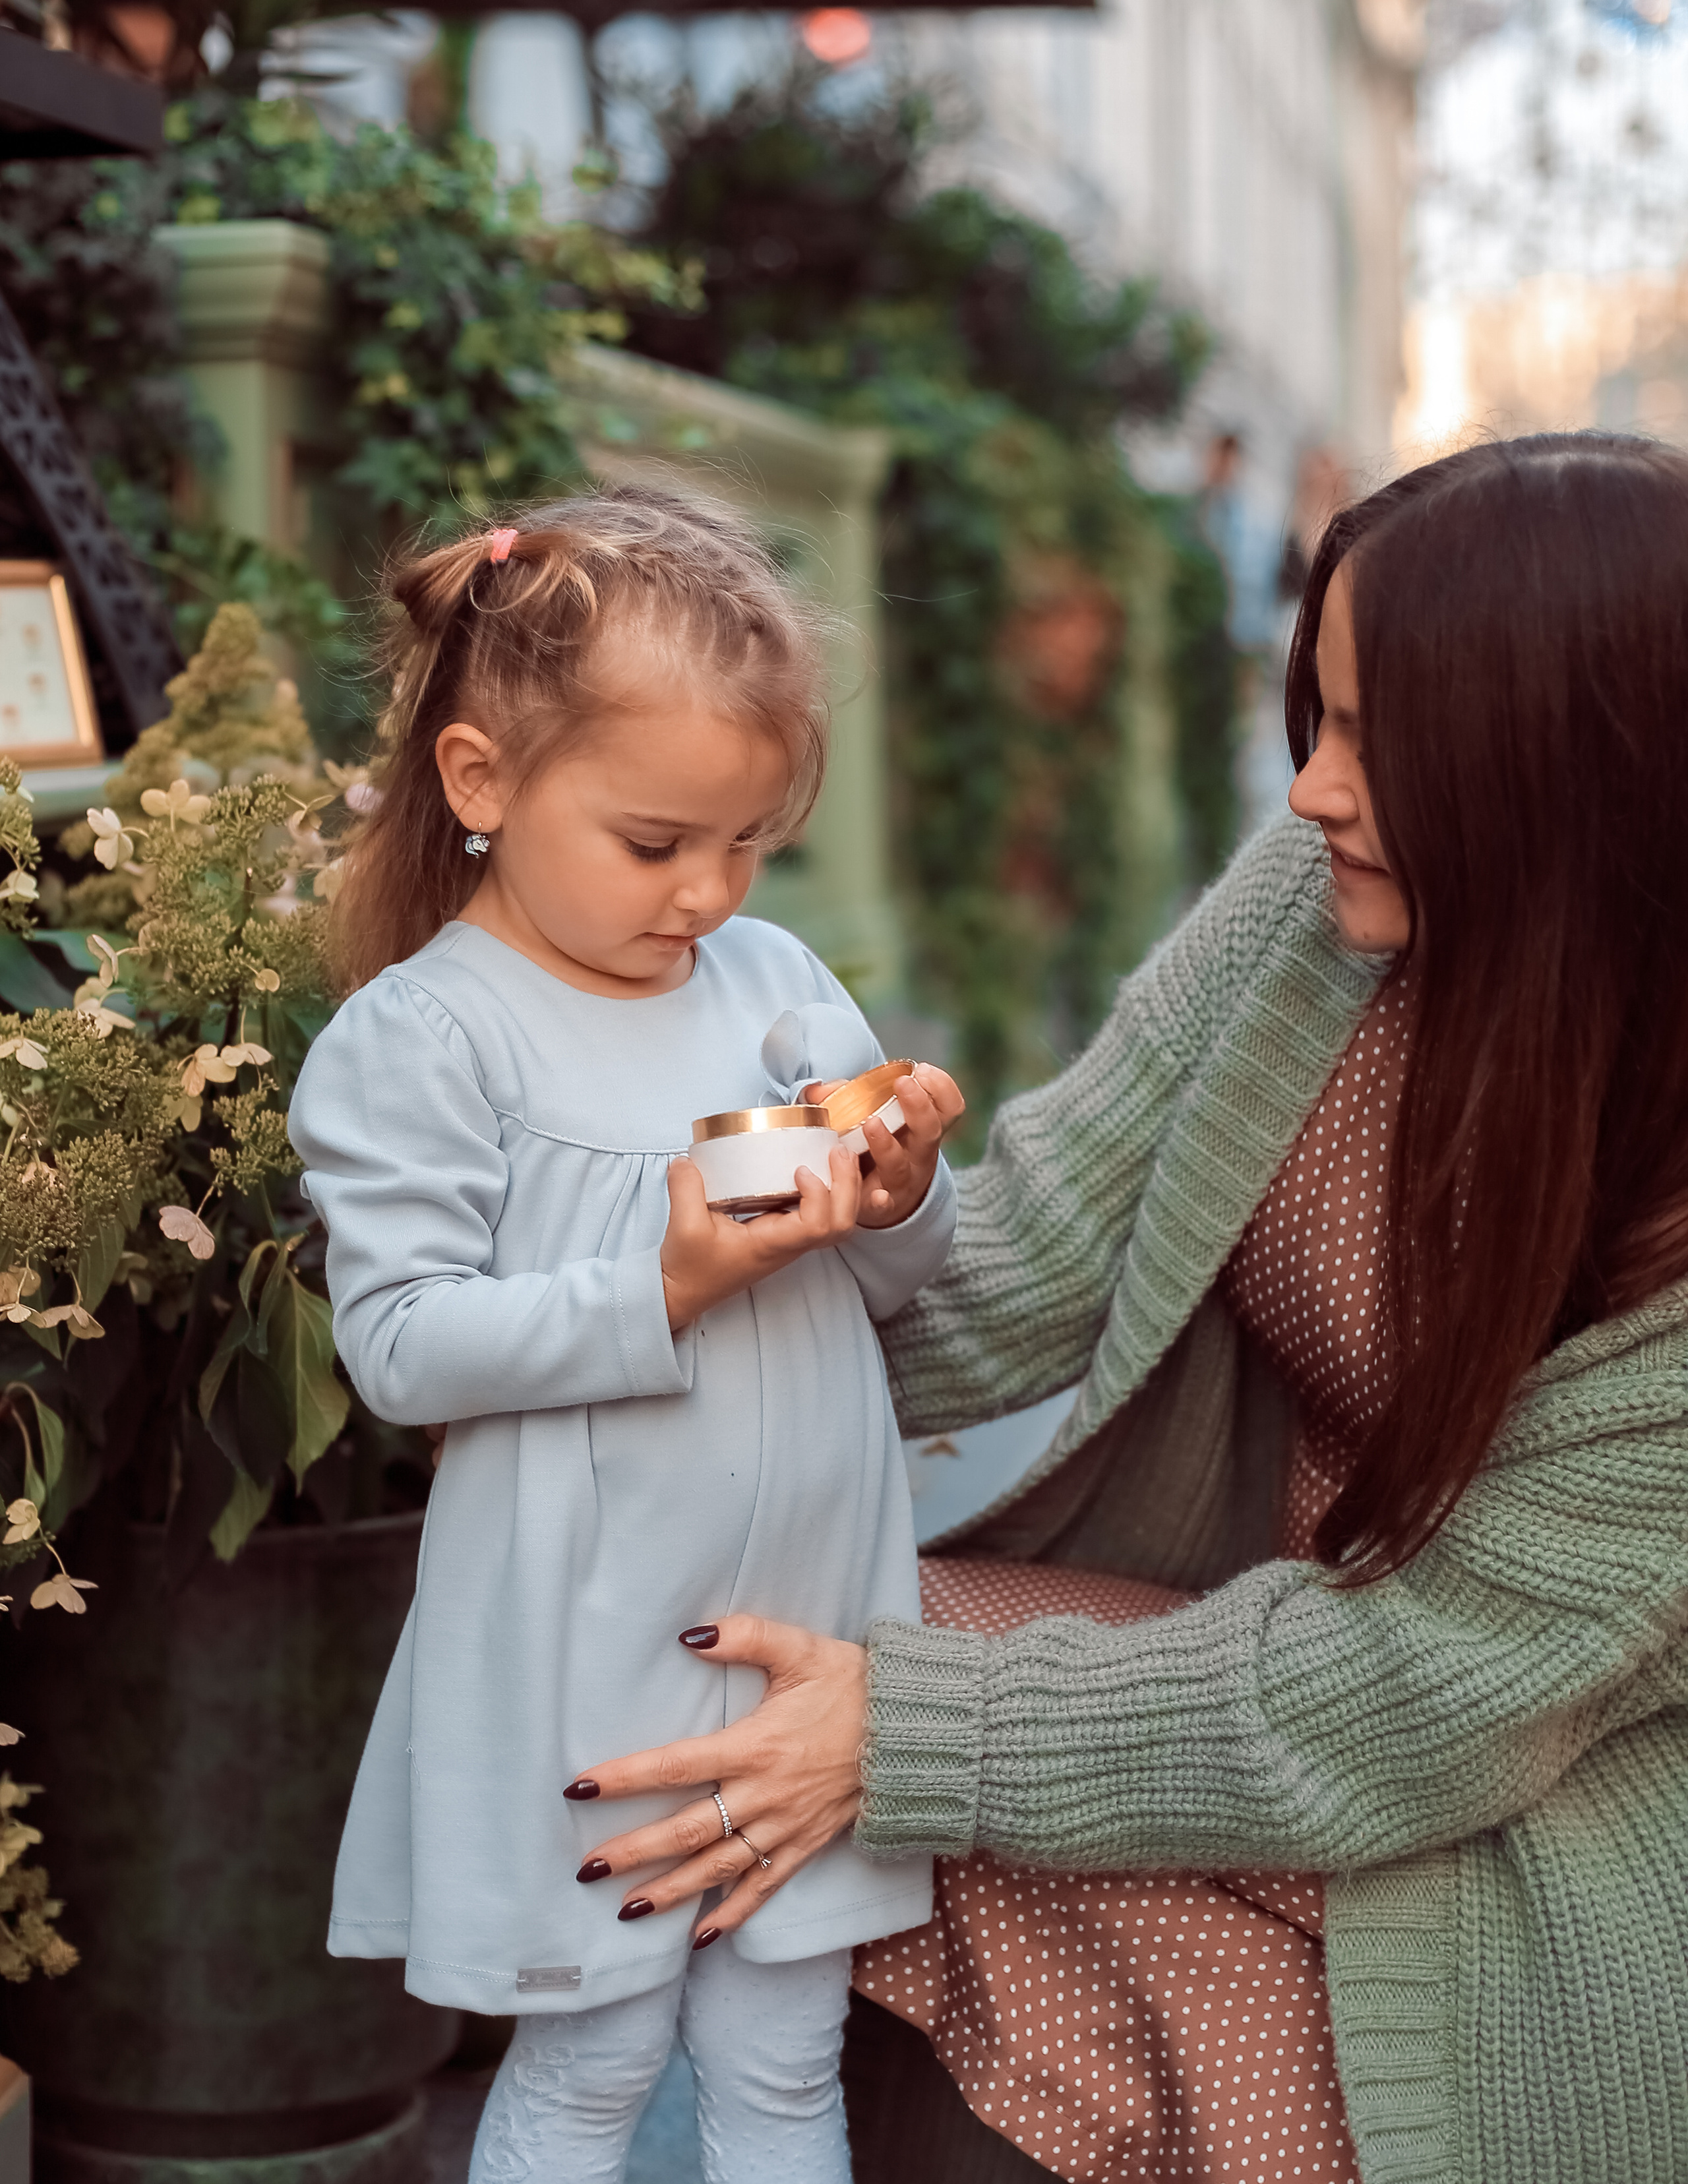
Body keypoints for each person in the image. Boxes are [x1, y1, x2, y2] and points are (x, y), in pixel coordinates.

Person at [566, 435, 1688, 2183]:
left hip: (1531, 1825)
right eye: (1313, 718)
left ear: (1582, 778)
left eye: (1383, 739)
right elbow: (1020, 1265)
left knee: (892, 1780)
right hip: (1269, 1647)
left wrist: (919, 1735)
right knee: (767, 1650)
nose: (1312, 787)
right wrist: (725, 1262)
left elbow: (1415, 1698)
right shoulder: (1327, 902)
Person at [287, 485, 965, 2184]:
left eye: (748, 844)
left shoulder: (774, 981)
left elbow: (897, 1288)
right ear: (481, 782)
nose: (709, 893)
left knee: (786, 2055)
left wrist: (896, 1196)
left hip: (803, 1629)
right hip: (585, 1638)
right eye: (657, 844)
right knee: (592, 2062)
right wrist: (658, 1284)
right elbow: (405, 1344)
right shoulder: (427, 1039)